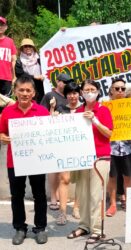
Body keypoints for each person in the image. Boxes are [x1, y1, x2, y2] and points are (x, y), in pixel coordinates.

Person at [0, 75, 49, 245]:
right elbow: (1, 132)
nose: (25, 93)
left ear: (34, 93)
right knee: (17, 195)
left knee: (40, 195)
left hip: (37, 161)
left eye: (28, 90)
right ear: (15, 92)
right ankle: (20, 228)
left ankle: (41, 228)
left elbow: (50, 136)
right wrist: (3, 137)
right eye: (21, 90)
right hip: (15, 161)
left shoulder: (43, 112)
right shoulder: (7, 112)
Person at [67, 79, 113, 243]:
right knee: (83, 194)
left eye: (92, 89)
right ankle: (84, 225)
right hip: (82, 158)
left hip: (100, 158)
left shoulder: (104, 110)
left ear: (98, 91)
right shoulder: (77, 111)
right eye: (86, 90)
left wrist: (95, 120)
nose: (89, 92)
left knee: (96, 195)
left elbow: (109, 134)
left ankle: (97, 229)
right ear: (81, 93)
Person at [50, 82, 82, 224]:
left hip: (82, 149)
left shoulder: (84, 109)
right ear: (66, 95)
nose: (72, 96)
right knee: (64, 179)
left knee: (80, 180)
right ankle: (62, 212)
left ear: (79, 94)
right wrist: (53, 116)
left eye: (75, 93)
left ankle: (76, 207)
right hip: (64, 150)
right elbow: (51, 127)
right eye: (69, 93)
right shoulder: (61, 109)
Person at [41, 73, 72, 211]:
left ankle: (62, 195)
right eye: (64, 82)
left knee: (64, 171)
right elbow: (41, 116)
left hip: (67, 139)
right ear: (58, 82)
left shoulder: (71, 96)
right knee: (53, 170)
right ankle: (53, 198)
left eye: (68, 82)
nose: (65, 84)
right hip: (52, 139)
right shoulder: (49, 96)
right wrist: (51, 111)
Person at [106, 79, 131, 216]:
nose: (120, 91)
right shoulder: (105, 107)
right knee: (112, 176)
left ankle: (129, 201)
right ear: (111, 90)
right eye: (117, 88)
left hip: (128, 147)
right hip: (110, 147)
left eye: (123, 89)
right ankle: (113, 204)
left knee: (128, 176)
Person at [15, 38, 45, 103]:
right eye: (25, 46)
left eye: (30, 46)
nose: (28, 48)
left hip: (40, 87)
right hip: (26, 87)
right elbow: (20, 75)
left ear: (33, 48)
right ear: (22, 48)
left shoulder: (40, 58)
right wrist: (34, 77)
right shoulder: (19, 61)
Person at [0, 16, 16, 106]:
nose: (0, 27)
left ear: (6, 27)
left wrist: (14, 77)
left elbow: (13, 60)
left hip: (6, 78)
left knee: (7, 103)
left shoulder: (10, 41)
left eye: (2, 24)